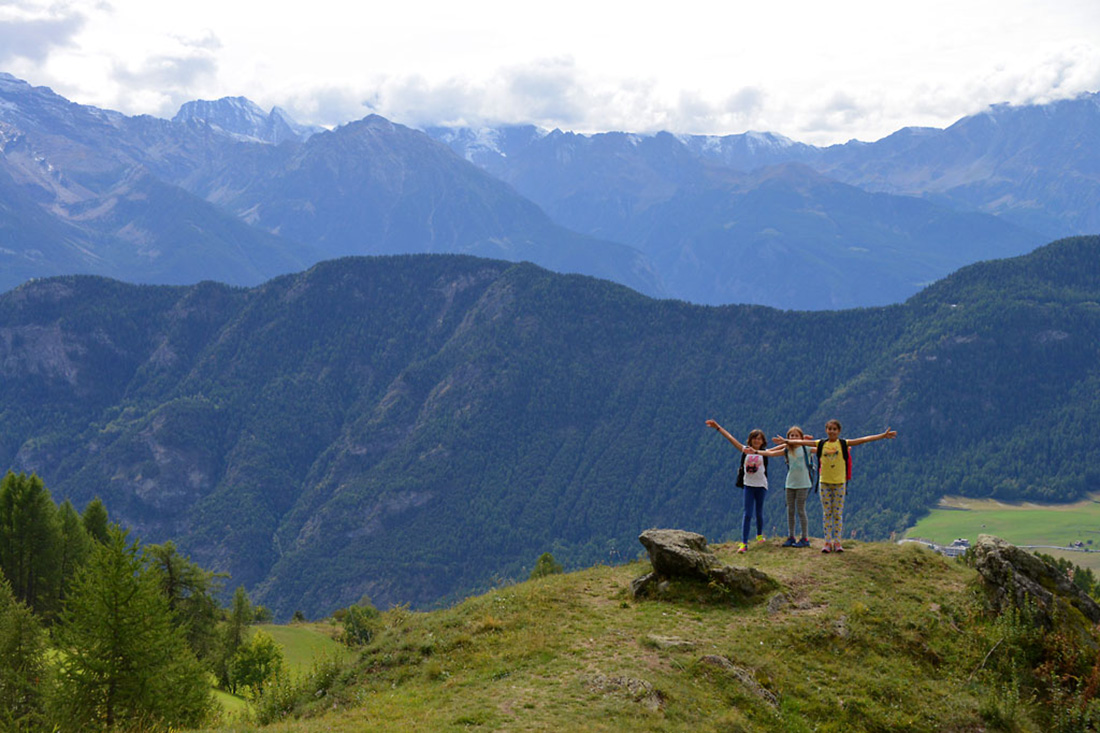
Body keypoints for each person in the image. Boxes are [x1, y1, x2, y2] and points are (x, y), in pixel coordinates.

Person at [774, 419, 897, 554]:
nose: (832, 431)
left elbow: (863, 439)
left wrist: (882, 436)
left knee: (837, 514)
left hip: (839, 483)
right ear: (826, 430)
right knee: (827, 514)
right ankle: (827, 542)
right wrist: (786, 441)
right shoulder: (820, 443)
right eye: (829, 429)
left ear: (839, 431)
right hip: (824, 483)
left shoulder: (843, 443)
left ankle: (837, 542)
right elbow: (800, 442)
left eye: (834, 429)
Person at [705, 420, 787, 554]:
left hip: (761, 486)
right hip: (748, 486)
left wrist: (796, 441)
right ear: (750, 440)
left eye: (759, 439)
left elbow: (781, 448)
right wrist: (718, 428)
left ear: (762, 441)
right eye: (755, 438)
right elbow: (731, 438)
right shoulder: (745, 450)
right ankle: (744, 543)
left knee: (759, 512)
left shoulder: (765, 452)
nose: (757, 441)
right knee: (747, 514)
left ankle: (759, 535)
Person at [779, 426, 815, 548]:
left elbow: (822, 447)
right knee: (790, 510)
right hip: (790, 483)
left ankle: (805, 537)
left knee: (801, 510)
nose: (793, 438)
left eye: (796, 435)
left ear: (801, 437)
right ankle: (791, 536)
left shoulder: (807, 448)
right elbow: (771, 453)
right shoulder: (787, 450)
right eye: (791, 436)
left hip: (803, 483)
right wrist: (757, 452)